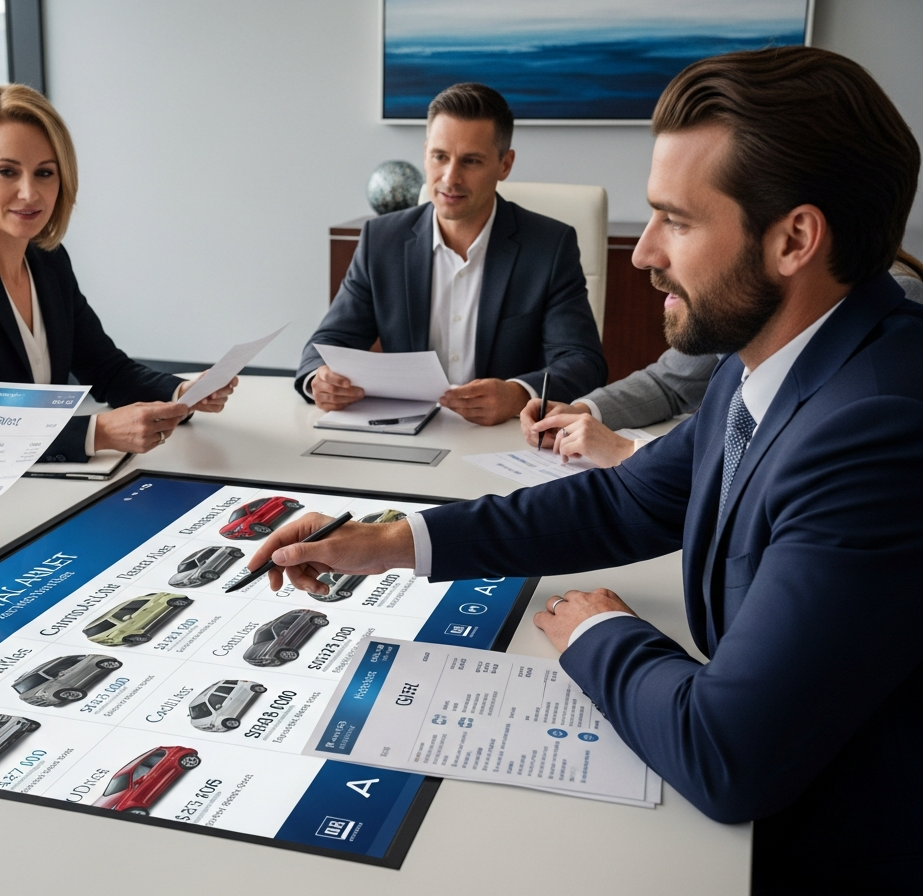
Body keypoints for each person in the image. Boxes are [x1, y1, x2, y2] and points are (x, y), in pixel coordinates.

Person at [252, 48, 922, 891]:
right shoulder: (767, 362)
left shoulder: (877, 425)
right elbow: (620, 502)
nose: (642, 253)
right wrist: (381, 543)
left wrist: (598, 632)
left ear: (794, 238)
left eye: (675, 221)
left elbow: (728, 754)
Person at [0, 85, 235, 473]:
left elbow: (105, 368)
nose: (29, 192)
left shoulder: (47, 262)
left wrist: (181, 392)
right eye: (7, 172)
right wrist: (96, 432)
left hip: (30, 479)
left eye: (45, 173)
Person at [294, 83, 606, 425]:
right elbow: (328, 342)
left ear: (505, 164)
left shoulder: (549, 245)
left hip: (504, 439)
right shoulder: (381, 240)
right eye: (440, 156)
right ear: (426, 152)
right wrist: (318, 379)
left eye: (471, 161)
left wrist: (518, 394)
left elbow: (583, 362)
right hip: (406, 435)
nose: (450, 177)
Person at [519, 252, 923, 467]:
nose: (643, 256)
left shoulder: (890, 304)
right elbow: (671, 380)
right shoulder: (746, 300)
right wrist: (583, 411)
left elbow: (778, 460)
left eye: (682, 221)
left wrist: (631, 450)